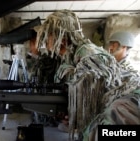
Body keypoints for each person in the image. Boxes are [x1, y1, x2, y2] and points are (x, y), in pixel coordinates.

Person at [30, 9, 140, 140]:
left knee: (93, 135)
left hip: (130, 100)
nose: (46, 43)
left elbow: (95, 92)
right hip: (118, 101)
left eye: (48, 37)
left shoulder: (88, 53)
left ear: (62, 38)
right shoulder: (70, 56)